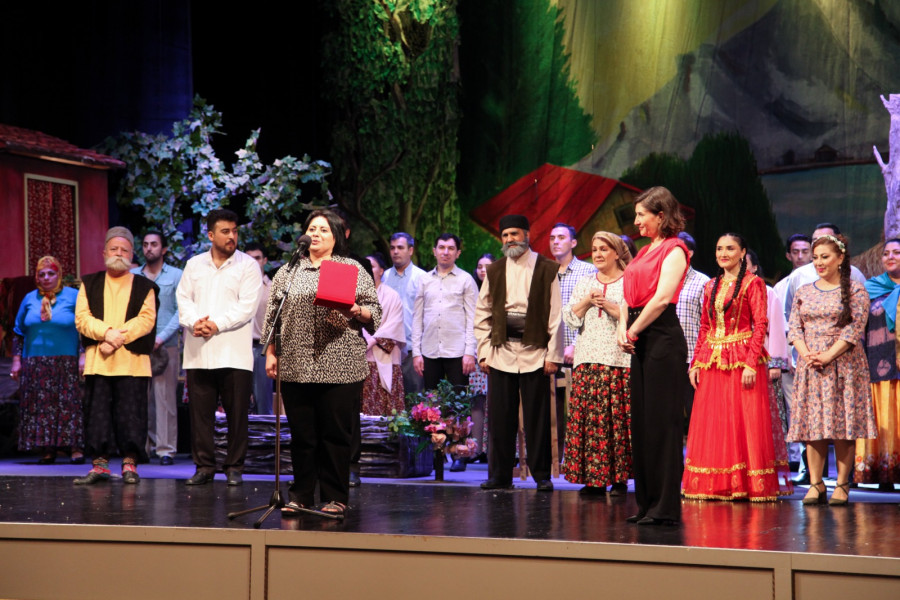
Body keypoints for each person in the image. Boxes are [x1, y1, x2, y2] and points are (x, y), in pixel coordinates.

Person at [262, 209, 381, 518]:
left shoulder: (350, 268)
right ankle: (300, 495)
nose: (315, 234)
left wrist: (355, 310)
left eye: (323, 230)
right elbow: (273, 315)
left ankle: (335, 496)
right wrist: (271, 352)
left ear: (336, 237)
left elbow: (375, 313)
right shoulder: (289, 271)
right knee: (302, 435)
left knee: (335, 435)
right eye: (312, 228)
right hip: (296, 364)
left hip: (340, 364)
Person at [682, 234, 792, 501]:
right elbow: (705, 326)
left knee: (742, 420)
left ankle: (745, 482)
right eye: (719, 248)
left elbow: (761, 324)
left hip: (742, 356)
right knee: (716, 420)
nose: (723, 253)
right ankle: (717, 482)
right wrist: (696, 362)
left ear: (743, 252)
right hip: (713, 359)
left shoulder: (753, 283)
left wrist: (752, 363)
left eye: (730, 248)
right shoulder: (710, 285)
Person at [475, 214, 563, 492]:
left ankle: (542, 475)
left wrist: (553, 355)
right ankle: (500, 476)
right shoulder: (495, 270)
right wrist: (483, 352)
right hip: (501, 352)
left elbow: (556, 315)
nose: (510, 239)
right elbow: (482, 313)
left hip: (535, 353)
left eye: (514, 234)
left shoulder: (547, 268)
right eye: (505, 235)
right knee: (500, 418)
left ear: (527, 235)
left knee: (537, 418)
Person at [617, 186, 688, 525]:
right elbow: (627, 296)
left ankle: (665, 507)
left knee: (663, 425)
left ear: (661, 215)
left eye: (641, 215)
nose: (636, 221)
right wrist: (623, 327)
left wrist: (632, 330)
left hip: (661, 338)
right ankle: (646, 503)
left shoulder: (675, 250)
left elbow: (661, 299)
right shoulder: (645, 251)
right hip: (639, 336)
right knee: (643, 424)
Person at [787, 234, 876, 505]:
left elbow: (853, 329)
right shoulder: (804, 291)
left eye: (825, 257)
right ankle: (816, 484)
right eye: (815, 258)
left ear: (840, 259)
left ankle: (842, 483)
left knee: (842, 426)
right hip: (811, 364)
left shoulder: (856, 290)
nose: (819, 262)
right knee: (812, 427)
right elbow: (795, 327)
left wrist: (827, 355)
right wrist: (807, 355)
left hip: (844, 364)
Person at [177, 209, 261, 486]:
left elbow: (247, 307)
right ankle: (204, 466)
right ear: (211, 235)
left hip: (234, 353)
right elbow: (183, 299)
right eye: (225, 232)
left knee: (237, 415)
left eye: (235, 231)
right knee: (200, 415)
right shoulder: (194, 265)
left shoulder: (248, 265)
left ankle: (234, 467)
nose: (232, 236)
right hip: (199, 351)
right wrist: (195, 322)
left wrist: (215, 325)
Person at [74, 227, 158, 484]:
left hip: (132, 363)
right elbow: (82, 318)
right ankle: (99, 466)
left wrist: (115, 340)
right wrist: (107, 333)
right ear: (104, 253)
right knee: (97, 416)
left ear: (132, 255)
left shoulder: (145, 286)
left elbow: (146, 320)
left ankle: (129, 465)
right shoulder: (89, 283)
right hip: (98, 363)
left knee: (131, 417)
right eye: (114, 249)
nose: (119, 254)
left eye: (124, 250)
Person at [562, 232, 632, 496]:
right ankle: (593, 479)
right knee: (590, 423)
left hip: (617, 361)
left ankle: (619, 479)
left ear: (617, 252)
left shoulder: (629, 281)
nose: (598, 254)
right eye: (594, 249)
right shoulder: (585, 282)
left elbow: (634, 317)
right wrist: (587, 301)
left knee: (615, 422)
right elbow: (570, 319)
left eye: (604, 249)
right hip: (587, 361)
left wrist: (611, 306)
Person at [11, 256, 84, 464]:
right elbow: (18, 331)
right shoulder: (29, 298)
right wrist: (16, 360)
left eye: (51, 273)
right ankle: (47, 449)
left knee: (68, 404)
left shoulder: (73, 296)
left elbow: (85, 328)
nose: (46, 278)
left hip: (65, 361)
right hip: (34, 362)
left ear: (59, 274)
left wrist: (83, 354)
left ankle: (75, 448)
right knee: (40, 406)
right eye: (41, 274)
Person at [131, 231, 182, 465]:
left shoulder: (176, 275)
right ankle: (144, 447)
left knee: (165, 399)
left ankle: (165, 449)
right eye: (145, 244)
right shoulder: (133, 275)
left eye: (154, 244)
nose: (149, 248)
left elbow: (181, 311)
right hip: (138, 346)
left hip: (165, 346)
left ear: (164, 249)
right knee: (140, 399)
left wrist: (160, 338)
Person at [855, 239, 900, 490]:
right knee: (884, 415)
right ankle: (885, 474)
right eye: (886, 253)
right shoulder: (870, 289)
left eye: (897, 252)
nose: (890, 257)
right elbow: (859, 326)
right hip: (878, 360)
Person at [746, 249, 792, 437]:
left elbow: (777, 329)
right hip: (735, 357)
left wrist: (775, 363)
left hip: (762, 357)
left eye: (744, 264)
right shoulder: (726, 291)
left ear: (754, 268)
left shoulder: (767, 292)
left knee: (765, 407)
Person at [361, 252, 405, 416]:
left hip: (384, 355)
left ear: (381, 271)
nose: (367, 270)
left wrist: (370, 341)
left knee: (386, 412)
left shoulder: (392, 296)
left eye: (371, 267)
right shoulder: (354, 294)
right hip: (358, 359)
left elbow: (394, 325)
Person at [382, 232, 426, 395]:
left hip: (413, 349)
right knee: (390, 398)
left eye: (400, 247)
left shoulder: (422, 277)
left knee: (414, 398)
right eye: (392, 248)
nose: (395, 252)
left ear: (411, 250)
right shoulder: (385, 277)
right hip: (388, 349)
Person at [550, 223, 597, 365]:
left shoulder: (588, 270)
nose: (555, 242)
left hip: (581, 351)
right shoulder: (546, 272)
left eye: (561, 237)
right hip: (551, 354)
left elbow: (594, 312)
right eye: (552, 238)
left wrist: (575, 344)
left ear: (573, 243)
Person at [675, 232, 710, 422]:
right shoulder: (660, 280)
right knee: (668, 411)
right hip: (667, 355)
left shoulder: (702, 282)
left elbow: (709, 323)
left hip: (692, 357)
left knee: (694, 410)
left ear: (689, 253)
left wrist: (702, 357)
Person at [468, 253, 495, 462]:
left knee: (495, 402)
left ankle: (493, 450)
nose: (483, 270)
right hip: (477, 352)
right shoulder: (472, 292)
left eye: (487, 266)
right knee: (477, 400)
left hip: (498, 353)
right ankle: (475, 449)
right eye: (479, 266)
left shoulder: (502, 290)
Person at [244, 242, 274, 415]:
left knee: (263, 401)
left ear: (264, 260)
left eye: (257, 258)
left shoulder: (272, 288)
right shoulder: (238, 287)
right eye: (249, 258)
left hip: (263, 347)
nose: (254, 262)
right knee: (241, 400)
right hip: (241, 347)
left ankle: (266, 432)